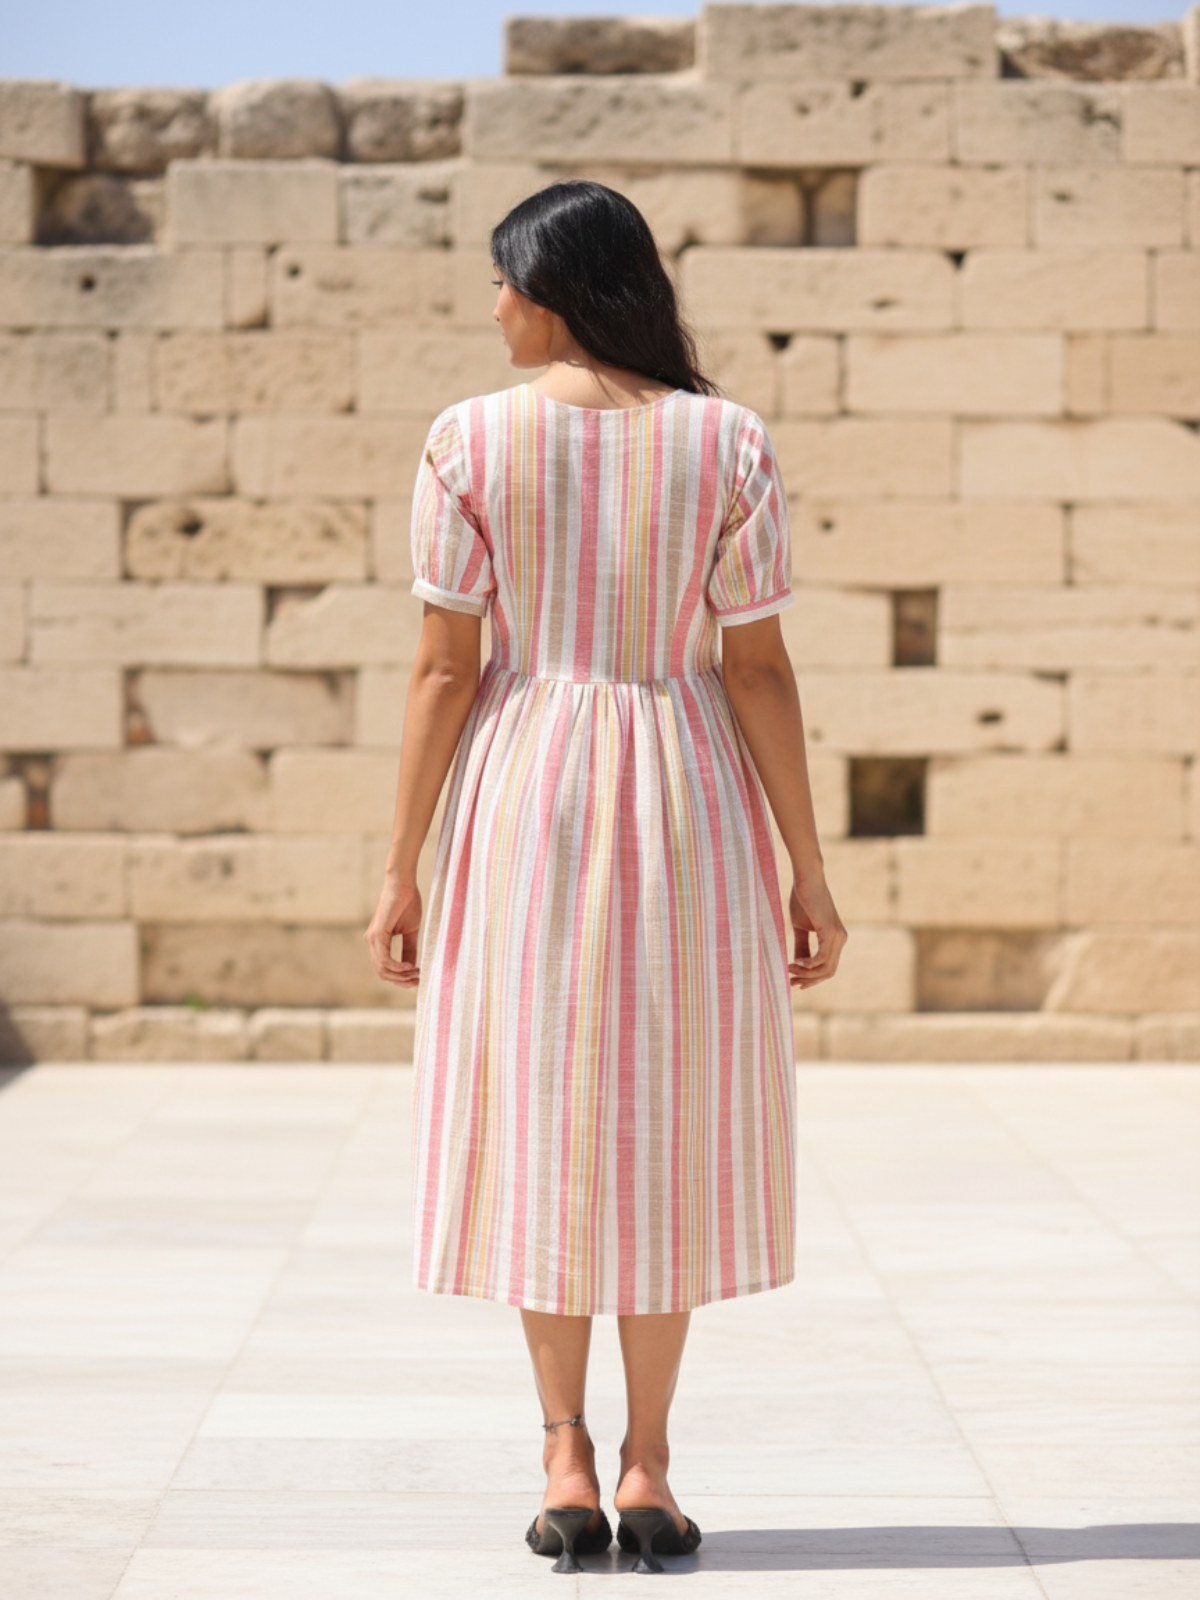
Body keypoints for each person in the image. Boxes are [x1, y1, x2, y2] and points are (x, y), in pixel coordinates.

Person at [365, 180, 847, 1575]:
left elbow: (445, 671)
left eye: (506, 282)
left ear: (559, 288)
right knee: (669, 1123)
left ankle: (562, 1451)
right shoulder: (726, 441)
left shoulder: (470, 441)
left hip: (529, 791)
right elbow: (755, 668)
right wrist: (807, 870)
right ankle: (648, 1464)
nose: (493, 305)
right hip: (690, 790)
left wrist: (400, 867)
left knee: (538, 1117)